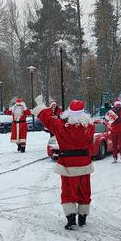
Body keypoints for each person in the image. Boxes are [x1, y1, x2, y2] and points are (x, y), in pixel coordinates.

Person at [35, 97, 95, 230]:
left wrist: (41, 106)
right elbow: (91, 144)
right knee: (84, 190)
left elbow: (48, 119)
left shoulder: (61, 126)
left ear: (69, 112)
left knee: (68, 191)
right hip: (84, 164)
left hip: (68, 164)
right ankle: (83, 217)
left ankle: (71, 218)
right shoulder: (90, 126)